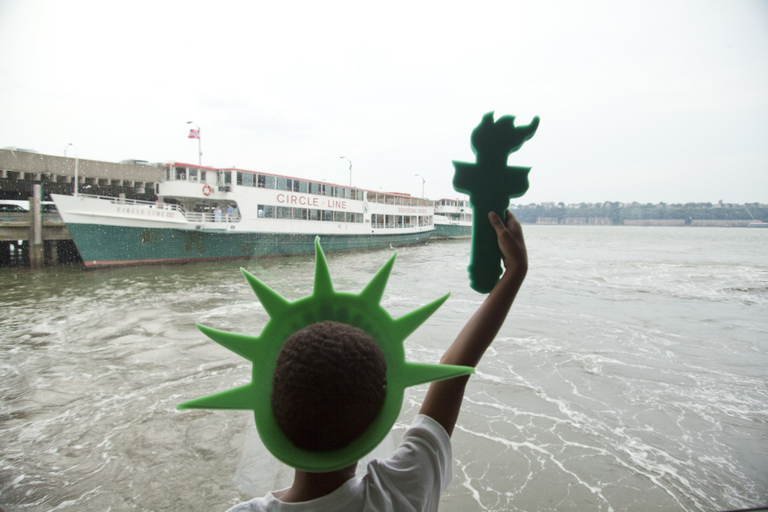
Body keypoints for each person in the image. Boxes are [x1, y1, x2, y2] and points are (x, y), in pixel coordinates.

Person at [227, 210, 528, 511]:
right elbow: (454, 371)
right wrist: (515, 271)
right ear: (377, 421)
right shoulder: (400, 492)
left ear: (271, 407)